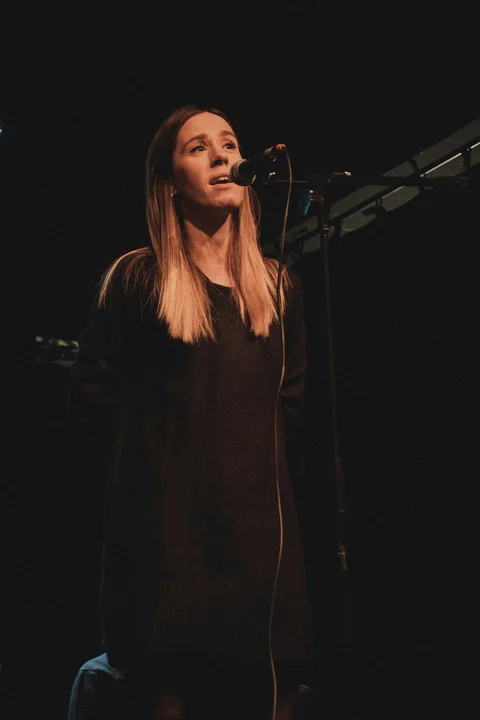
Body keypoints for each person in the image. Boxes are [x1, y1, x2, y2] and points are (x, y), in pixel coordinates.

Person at [67, 104, 315, 719]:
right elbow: (94, 403)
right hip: (167, 556)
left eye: (228, 144)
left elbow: (288, 406)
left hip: (260, 554)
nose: (222, 156)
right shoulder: (137, 280)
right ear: (169, 181)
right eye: (198, 147)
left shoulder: (278, 287)